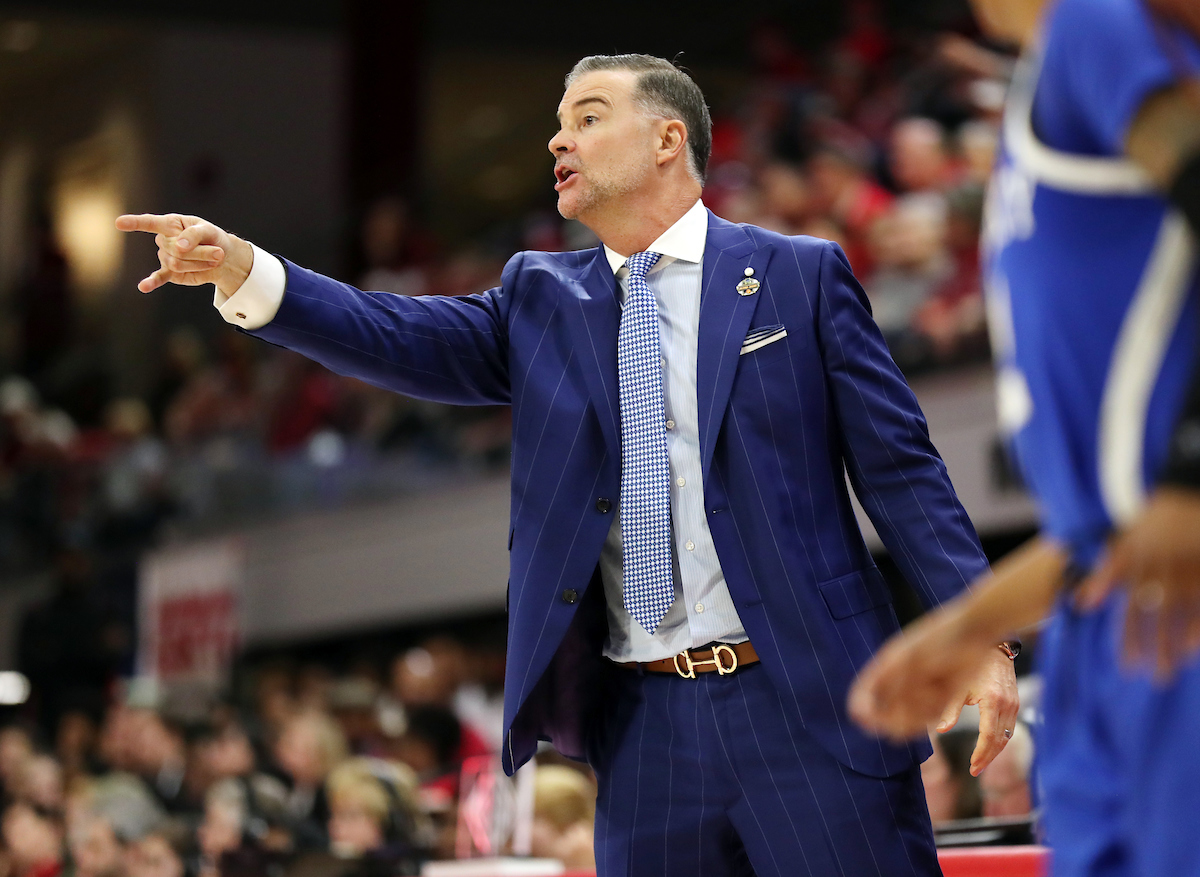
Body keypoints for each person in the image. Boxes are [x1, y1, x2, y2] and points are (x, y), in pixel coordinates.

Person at [117, 54, 1019, 876]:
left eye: (588, 116)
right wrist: (247, 272)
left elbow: (900, 466)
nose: (559, 137)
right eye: (558, 120)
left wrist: (979, 630)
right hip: (645, 725)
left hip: (813, 701)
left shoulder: (798, 274)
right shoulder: (540, 298)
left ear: (670, 139)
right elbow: (395, 333)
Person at [848, 1, 1200, 875]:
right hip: (1103, 612)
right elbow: (1108, 523)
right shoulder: (1041, 87)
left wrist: (1192, 474)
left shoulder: (1095, 27)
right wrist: (968, 624)